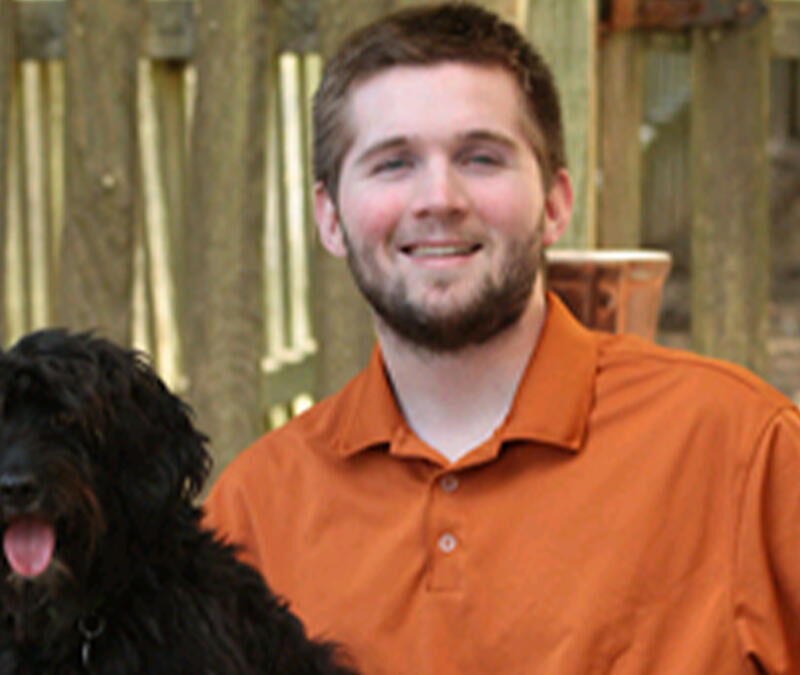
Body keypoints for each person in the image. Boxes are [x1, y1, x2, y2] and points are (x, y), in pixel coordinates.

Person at [203, 3, 800, 673]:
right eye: (393, 163)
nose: (439, 197)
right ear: (331, 218)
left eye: (481, 157)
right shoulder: (257, 508)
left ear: (553, 203)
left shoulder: (737, 448)